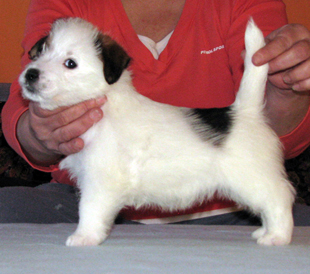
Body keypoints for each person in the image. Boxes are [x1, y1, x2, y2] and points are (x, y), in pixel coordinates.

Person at [1, 0, 310, 225]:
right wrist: (39, 133)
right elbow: (20, 114)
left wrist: (288, 84)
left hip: (224, 211)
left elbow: (271, 120)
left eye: (69, 62)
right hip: (73, 201)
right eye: (43, 53)